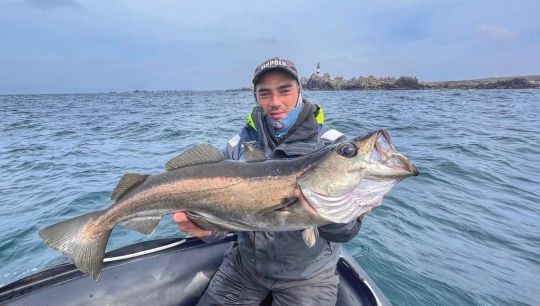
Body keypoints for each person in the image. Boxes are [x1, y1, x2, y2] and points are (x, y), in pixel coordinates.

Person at [173, 57, 362, 306]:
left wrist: (324, 208)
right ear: (256, 97)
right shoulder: (237, 147)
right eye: (265, 93)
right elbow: (229, 223)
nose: (275, 102)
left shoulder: (334, 148)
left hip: (309, 277)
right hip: (244, 267)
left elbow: (347, 231)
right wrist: (207, 228)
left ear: (299, 90)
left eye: (284, 90)